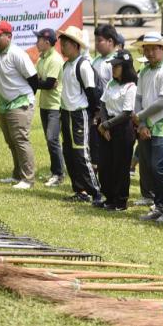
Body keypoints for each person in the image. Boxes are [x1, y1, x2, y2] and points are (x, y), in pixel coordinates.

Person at [133, 32, 163, 224]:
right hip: (147, 127)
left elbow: (162, 102)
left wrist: (140, 117)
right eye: (147, 48)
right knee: (150, 168)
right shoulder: (145, 70)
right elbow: (139, 98)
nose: (150, 52)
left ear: (162, 49)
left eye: (154, 48)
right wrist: (141, 123)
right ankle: (159, 206)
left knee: (159, 168)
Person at [0, 20, 38, 190]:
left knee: (21, 140)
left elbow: (33, 79)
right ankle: (17, 175)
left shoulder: (17, 54)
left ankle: (28, 179)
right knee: (11, 141)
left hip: (20, 102)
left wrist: (27, 102)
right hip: (4, 105)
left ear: (8, 36)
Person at [57, 26, 101, 203]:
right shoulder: (67, 64)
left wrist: (93, 115)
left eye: (66, 44)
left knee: (81, 153)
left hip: (79, 115)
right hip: (66, 113)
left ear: (76, 45)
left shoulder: (83, 65)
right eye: (61, 43)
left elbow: (92, 93)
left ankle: (96, 192)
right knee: (69, 152)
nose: (62, 47)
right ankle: (80, 190)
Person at [96, 51, 138, 211]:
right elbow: (103, 104)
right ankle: (109, 197)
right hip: (107, 126)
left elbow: (127, 113)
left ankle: (120, 200)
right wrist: (104, 124)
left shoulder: (131, 86)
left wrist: (106, 126)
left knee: (120, 165)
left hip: (122, 128)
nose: (113, 69)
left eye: (117, 66)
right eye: (113, 66)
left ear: (126, 67)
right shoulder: (111, 84)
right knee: (105, 164)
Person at [33, 28, 65, 187]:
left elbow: (49, 83)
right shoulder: (41, 58)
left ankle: (59, 174)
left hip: (55, 105)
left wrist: (39, 83)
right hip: (44, 104)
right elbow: (37, 80)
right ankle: (55, 171)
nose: (36, 42)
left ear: (47, 42)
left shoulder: (55, 59)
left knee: (53, 139)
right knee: (49, 139)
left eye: (38, 39)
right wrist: (40, 83)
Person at [90, 24, 119, 171]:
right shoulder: (95, 61)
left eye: (99, 40)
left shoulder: (116, 62)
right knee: (96, 148)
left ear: (110, 41)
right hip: (96, 110)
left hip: (111, 112)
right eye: (95, 40)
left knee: (110, 149)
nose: (96, 44)